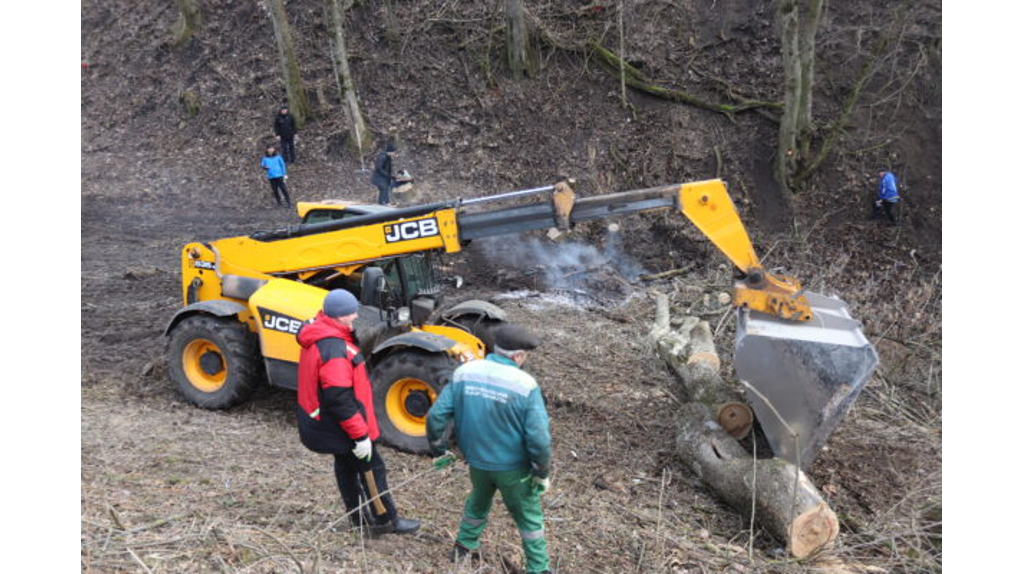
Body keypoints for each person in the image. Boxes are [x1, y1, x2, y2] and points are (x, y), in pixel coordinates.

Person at [426, 324, 553, 574]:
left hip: (477, 461)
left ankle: (462, 548)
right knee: (529, 519)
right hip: (514, 469)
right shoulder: (525, 384)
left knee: (478, 502)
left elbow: (436, 416)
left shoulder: (465, 372)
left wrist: (439, 450)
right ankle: (539, 569)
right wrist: (541, 471)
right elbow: (539, 438)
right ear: (518, 356)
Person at [296, 289, 420, 536]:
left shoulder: (321, 332)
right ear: (338, 315)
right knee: (372, 469)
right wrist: (360, 436)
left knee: (345, 467)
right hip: (342, 426)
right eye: (350, 312)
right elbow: (340, 399)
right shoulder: (334, 350)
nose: (355, 316)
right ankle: (385, 520)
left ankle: (358, 520)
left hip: (326, 423)